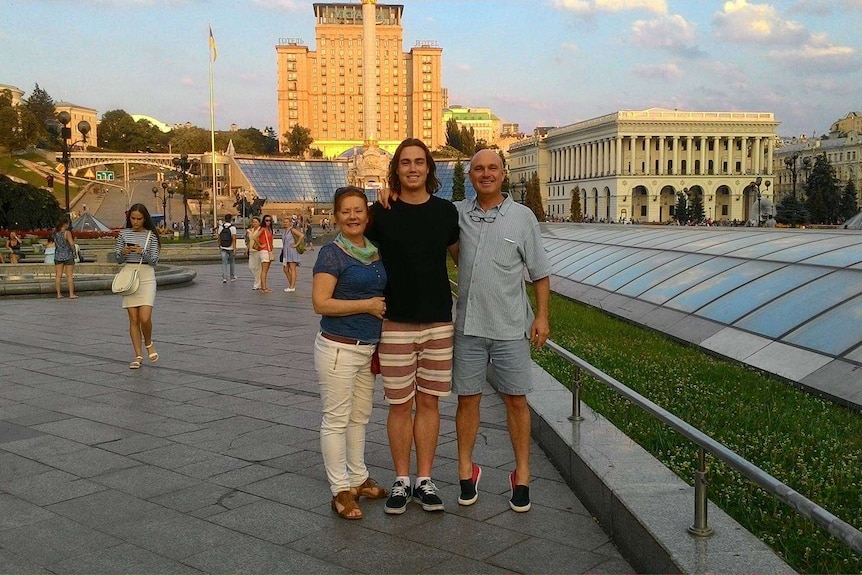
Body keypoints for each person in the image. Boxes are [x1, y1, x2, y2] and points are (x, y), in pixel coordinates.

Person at [453, 149, 551, 513]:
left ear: (504, 173)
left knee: (516, 400)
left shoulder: (522, 218)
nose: (486, 174)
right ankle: (466, 469)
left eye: (492, 167)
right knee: (467, 399)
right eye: (478, 169)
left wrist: (542, 317)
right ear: (470, 176)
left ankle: (521, 473)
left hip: (511, 326)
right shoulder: (459, 214)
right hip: (468, 325)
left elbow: (539, 273)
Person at [366, 138, 459, 514]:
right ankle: (401, 480)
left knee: (429, 402)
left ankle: (425, 479)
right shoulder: (382, 212)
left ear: (429, 169)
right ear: (396, 170)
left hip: (438, 319)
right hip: (396, 322)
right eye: (405, 162)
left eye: (419, 162)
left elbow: (462, 259)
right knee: (399, 404)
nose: (413, 168)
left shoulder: (445, 212)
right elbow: (360, 254)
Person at [311, 186, 389, 520]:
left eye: (358, 210)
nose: (353, 217)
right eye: (346, 211)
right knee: (336, 419)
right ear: (336, 216)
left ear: (367, 216)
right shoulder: (332, 253)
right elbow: (320, 303)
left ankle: (358, 477)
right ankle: (340, 490)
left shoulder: (373, 251)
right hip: (339, 348)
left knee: (360, 418)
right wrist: (367, 305)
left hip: (366, 349)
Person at [115, 203, 161, 369]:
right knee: (133, 318)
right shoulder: (123, 234)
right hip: (129, 276)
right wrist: (124, 252)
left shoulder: (151, 236)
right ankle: (138, 355)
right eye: (132, 218)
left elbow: (154, 261)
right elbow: (118, 258)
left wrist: (142, 251)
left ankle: (148, 342)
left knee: (145, 317)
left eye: (139, 219)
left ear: (145, 219)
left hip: (146, 275)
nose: (135, 222)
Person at [52, 217, 78, 299]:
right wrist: (75, 252)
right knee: (69, 275)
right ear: (65, 224)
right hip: (68, 254)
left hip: (58, 255)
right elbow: (71, 244)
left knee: (58, 275)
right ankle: (71, 294)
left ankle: (58, 294)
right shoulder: (67, 233)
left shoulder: (55, 232)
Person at [281, 220, 305, 292]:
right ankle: (292, 284)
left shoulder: (292, 230)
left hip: (292, 251)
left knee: (292, 268)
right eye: (284, 222)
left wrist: (296, 244)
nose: (285, 223)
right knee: (285, 269)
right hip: (286, 252)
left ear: (290, 223)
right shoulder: (285, 231)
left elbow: (302, 235)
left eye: (287, 222)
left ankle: (292, 286)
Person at [218, 213, 237, 283]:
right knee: (232, 262)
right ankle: (232, 277)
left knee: (224, 263)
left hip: (223, 247)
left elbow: (219, 238)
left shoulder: (221, 227)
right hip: (231, 247)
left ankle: (224, 278)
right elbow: (234, 239)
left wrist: (219, 246)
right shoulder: (233, 228)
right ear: (231, 219)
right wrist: (235, 248)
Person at [258, 214, 275, 293]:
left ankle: (264, 286)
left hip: (269, 250)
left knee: (266, 270)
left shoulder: (270, 229)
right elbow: (255, 237)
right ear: (264, 221)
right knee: (264, 270)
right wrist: (260, 245)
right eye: (266, 220)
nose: (268, 222)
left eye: (269, 220)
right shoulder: (263, 229)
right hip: (264, 250)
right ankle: (263, 288)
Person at [245, 216, 262, 290]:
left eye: (256, 222)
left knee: (258, 267)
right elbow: (248, 241)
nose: (254, 223)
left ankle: (257, 284)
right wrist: (246, 249)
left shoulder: (260, 230)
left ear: (259, 223)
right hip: (251, 250)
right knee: (251, 267)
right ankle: (258, 281)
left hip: (258, 250)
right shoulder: (250, 231)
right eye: (253, 222)